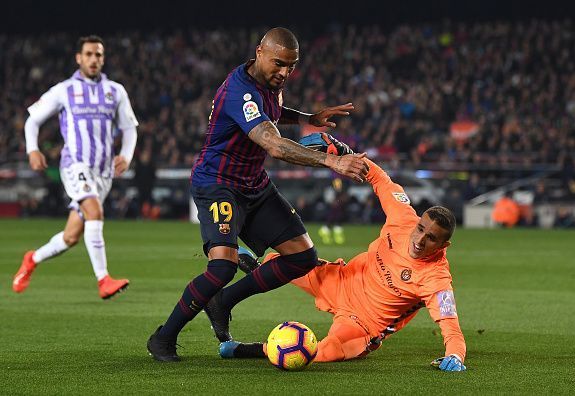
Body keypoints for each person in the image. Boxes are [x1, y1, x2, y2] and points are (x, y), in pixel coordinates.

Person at [146, 27, 369, 362]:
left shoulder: (267, 84)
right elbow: (274, 145)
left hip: (254, 184)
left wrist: (308, 118)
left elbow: (274, 111)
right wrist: (331, 160)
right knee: (221, 267)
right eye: (279, 64)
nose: (284, 73)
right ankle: (164, 338)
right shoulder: (241, 91)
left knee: (302, 257)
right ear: (260, 52)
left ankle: (223, 301)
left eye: (291, 67)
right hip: (218, 184)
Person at [219, 158, 467, 372]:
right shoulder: (403, 219)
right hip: (341, 279)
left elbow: (451, 328)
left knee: (320, 353)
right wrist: (342, 153)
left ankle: (248, 349)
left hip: (361, 324)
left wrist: (455, 355)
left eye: (431, 238)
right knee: (289, 264)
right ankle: (257, 266)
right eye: (420, 228)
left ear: (443, 246)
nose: (420, 239)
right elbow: (380, 178)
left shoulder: (436, 279)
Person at [13, 35, 138, 300]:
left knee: (71, 237)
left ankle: (32, 259)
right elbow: (32, 121)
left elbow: (129, 128)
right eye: (89, 54)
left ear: (103, 59)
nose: (94, 59)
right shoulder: (64, 90)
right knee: (94, 212)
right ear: (79, 58)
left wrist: (126, 155)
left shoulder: (115, 91)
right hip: (75, 165)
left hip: (103, 172)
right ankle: (103, 279)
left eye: (98, 55)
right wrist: (32, 149)